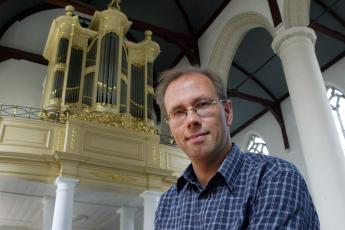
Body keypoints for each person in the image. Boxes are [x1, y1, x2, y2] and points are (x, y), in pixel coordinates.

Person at [154, 66, 319, 229]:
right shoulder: (167, 204)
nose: (191, 120)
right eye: (178, 112)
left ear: (227, 112)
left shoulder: (276, 177)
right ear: (170, 127)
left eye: (203, 104)